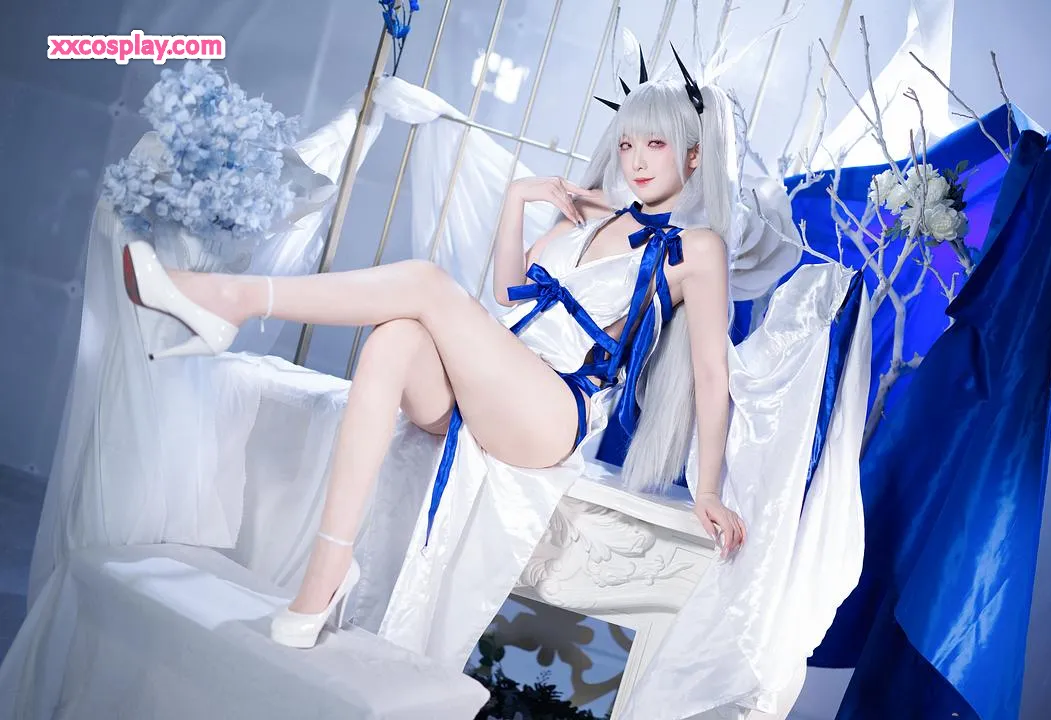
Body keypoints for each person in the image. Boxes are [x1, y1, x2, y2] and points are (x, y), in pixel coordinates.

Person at [120, 51, 753, 651]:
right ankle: (328, 571)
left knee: (424, 282)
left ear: (693, 155)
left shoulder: (698, 249)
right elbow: (509, 290)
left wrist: (707, 488)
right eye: (626, 144)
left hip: (552, 412)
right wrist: (517, 197)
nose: (636, 160)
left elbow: (709, 371)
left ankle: (229, 299)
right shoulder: (590, 210)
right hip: (493, 386)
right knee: (395, 337)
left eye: (655, 145)